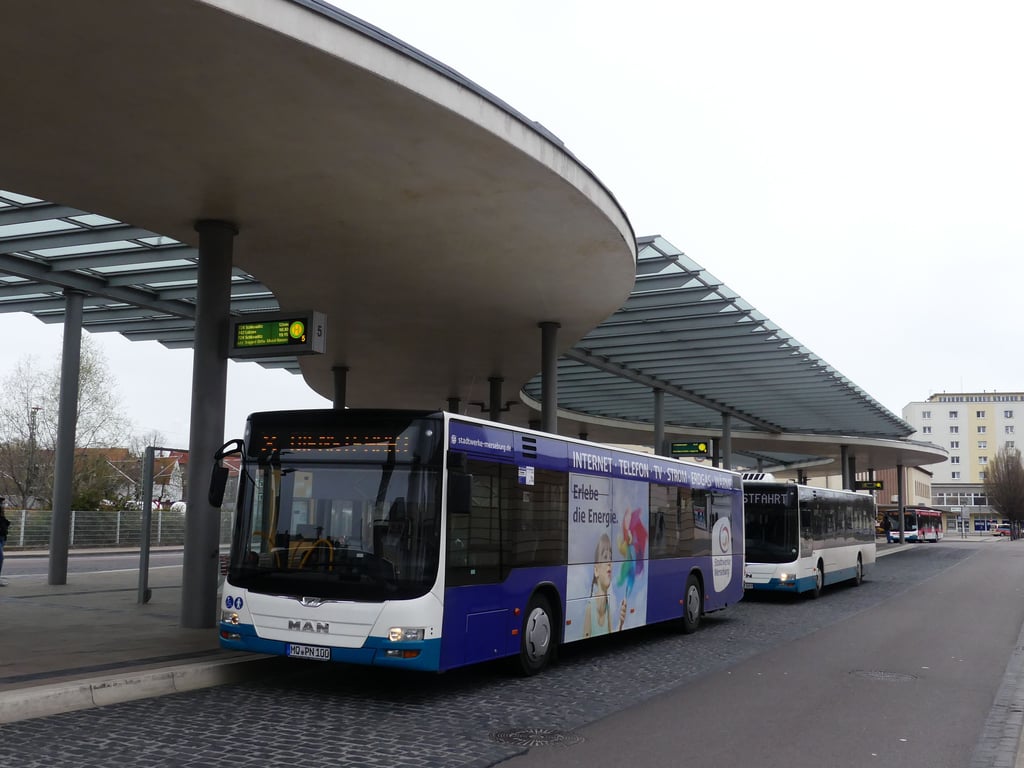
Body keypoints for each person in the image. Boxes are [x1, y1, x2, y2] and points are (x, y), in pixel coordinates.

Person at [583, 532, 627, 637]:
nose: (609, 563)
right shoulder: (590, 608)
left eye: (610, 557)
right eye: (605, 557)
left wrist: (621, 623)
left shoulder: (607, 607)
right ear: (596, 570)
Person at [0, 497, 9, 587]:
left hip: (2, 538)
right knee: (0, 557)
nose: (2, 504)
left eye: (2, 502)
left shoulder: (2, 514)